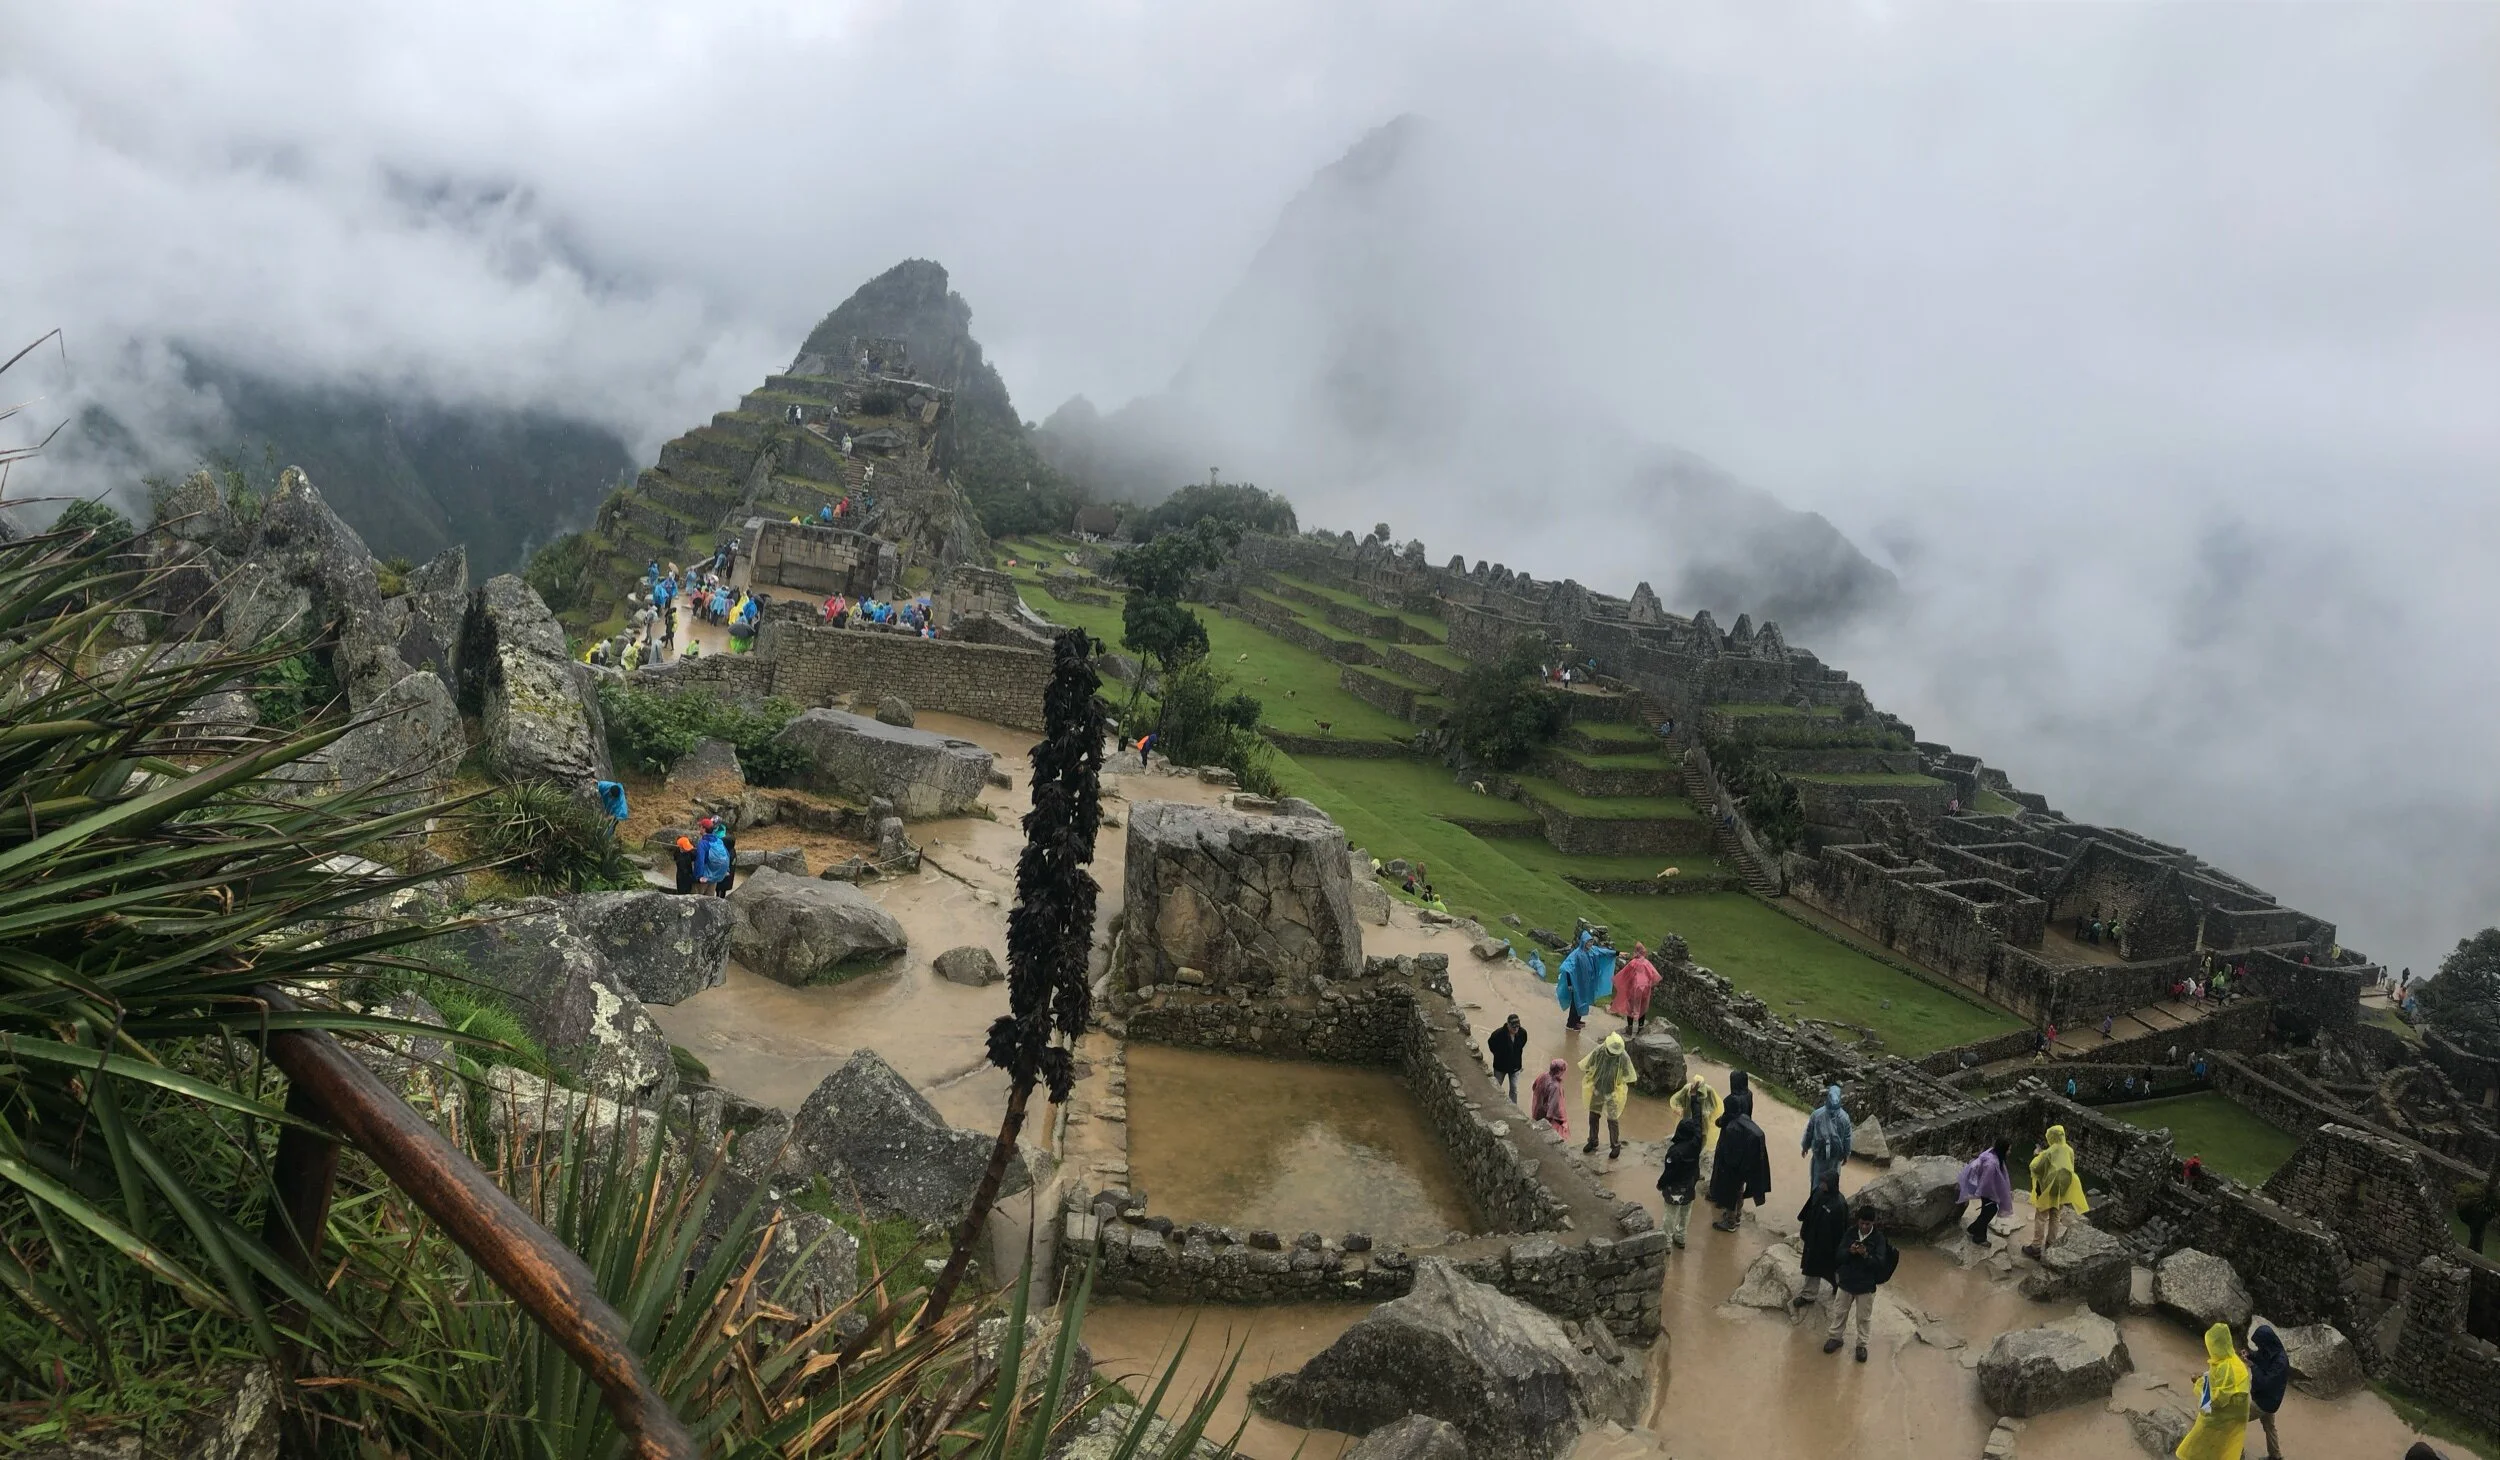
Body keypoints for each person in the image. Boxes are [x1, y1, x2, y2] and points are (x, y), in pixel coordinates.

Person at [1822, 1203, 1898, 1362]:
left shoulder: (1878, 1239)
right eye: (1862, 1223)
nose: (1864, 1226)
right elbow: (1839, 1256)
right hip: (1846, 1281)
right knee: (1840, 1312)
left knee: (1863, 1318)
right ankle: (1835, 1338)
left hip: (1866, 1285)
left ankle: (1861, 1345)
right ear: (1858, 1221)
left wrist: (1865, 1255)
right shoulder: (1850, 1233)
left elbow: (1880, 1263)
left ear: (1873, 1223)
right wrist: (1850, 1252)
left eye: (1867, 1224)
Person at [2176, 1321, 2252, 1460]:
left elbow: (2215, 1401)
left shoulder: (2226, 1368)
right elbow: (2218, 1382)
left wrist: (2199, 1383)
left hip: (2226, 1417)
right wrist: (2205, 1378)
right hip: (2236, 1415)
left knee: (2196, 1443)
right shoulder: (2231, 1359)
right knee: (2227, 1447)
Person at [1706, 1074, 1772, 1231]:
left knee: (1728, 1181)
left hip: (1732, 1140)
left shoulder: (1731, 1100)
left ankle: (1730, 1220)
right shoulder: (1749, 1094)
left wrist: (1719, 1122)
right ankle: (1736, 1216)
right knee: (1739, 1185)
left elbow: (1726, 1118)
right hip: (1744, 1139)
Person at [2025, 1124, 2090, 1258]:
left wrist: (2037, 1155)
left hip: (2048, 1188)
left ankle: (2036, 1247)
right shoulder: (2070, 1150)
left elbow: (2036, 1168)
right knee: (2055, 1216)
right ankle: (2051, 1244)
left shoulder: (2049, 1152)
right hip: (2062, 1189)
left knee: (2041, 1216)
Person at [1793, 1169, 1851, 1310]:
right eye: (1821, 1181)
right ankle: (1808, 1295)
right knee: (1811, 1268)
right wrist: (1804, 1230)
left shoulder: (1839, 1204)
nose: (1820, 1184)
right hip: (1813, 1239)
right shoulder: (1817, 1193)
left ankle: (1838, 1285)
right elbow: (1807, 1211)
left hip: (1829, 1244)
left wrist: (1841, 1248)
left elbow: (1842, 1228)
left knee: (1832, 1268)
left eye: (1824, 1182)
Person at [1580, 1032, 1637, 1159]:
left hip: (1613, 1091)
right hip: (1597, 1089)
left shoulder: (1622, 1056)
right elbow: (1588, 1065)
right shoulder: (1600, 1051)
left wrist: (1619, 1085)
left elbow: (1628, 1074)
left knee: (1612, 1119)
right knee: (1593, 1116)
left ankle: (1615, 1146)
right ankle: (1592, 1141)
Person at [1656, 1109, 1704, 1250]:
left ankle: (1666, 1242)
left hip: (1675, 1188)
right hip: (1690, 1185)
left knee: (1670, 1215)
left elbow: (1669, 1173)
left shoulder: (1675, 1152)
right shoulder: (1696, 1144)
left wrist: (1660, 1183)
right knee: (1685, 1212)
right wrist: (1695, 1099)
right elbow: (1698, 1125)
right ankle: (1681, 1237)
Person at [1956, 1139, 2014, 1247]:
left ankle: (1973, 1228)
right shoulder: (1991, 1164)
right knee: (1989, 1211)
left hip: (1988, 1191)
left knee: (1987, 1211)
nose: (2010, 1152)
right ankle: (1979, 1237)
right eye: (2009, 1149)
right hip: (1987, 1192)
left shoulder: (1995, 1158)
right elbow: (1986, 1183)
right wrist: (1993, 1196)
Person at [1803, 1084, 1855, 1190]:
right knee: (1832, 1181)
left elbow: (1809, 1132)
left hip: (1819, 1155)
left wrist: (1805, 1146)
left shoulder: (1817, 1114)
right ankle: (1829, 1203)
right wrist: (1846, 1154)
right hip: (1835, 1157)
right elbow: (1847, 1138)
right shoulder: (1845, 1118)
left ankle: (1815, 1201)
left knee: (1817, 1181)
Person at [1665, 1077, 1722, 1157]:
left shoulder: (1709, 1090)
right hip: (1688, 1116)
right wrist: (1678, 1108)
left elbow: (1714, 1105)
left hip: (1703, 1119)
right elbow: (1676, 1100)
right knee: (1686, 1135)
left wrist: (1708, 1111)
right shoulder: (1687, 1088)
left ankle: (1697, 1153)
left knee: (1703, 1136)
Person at [1612, 941, 1661, 1034]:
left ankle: (1630, 1028)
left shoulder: (1632, 963)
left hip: (1632, 989)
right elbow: (1655, 976)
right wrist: (1650, 985)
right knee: (1642, 1007)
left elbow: (1624, 974)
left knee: (1630, 1008)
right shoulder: (1647, 963)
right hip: (1645, 990)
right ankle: (1640, 1027)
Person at [1488, 1015, 1528, 1101]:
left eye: (1517, 1027)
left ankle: (1514, 1108)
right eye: (1513, 1027)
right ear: (1508, 1025)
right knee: (1497, 1087)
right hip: (1500, 1067)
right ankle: (1495, 1103)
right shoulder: (1498, 1034)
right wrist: (1498, 1054)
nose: (1516, 1029)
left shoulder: (1522, 1033)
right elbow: (1491, 1044)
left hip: (1515, 1067)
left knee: (1514, 1089)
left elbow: (1522, 1044)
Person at [1530, 1058, 1570, 1139]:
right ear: (1560, 1071)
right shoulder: (1555, 1086)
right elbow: (1553, 1106)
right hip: (1548, 1116)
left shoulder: (1543, 1075)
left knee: (1537, 1129)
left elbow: (1534, 1086)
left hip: (1538, 1109)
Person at [693, 817, 731, 897]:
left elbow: (700, 860)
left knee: (696, 900)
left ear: (704, 829)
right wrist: (726, 870)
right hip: (714, 877)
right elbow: (727, 855)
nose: (699, 829)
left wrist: (699, 877)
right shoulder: (718, 840)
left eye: (700, 827)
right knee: (709, 901)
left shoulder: (703, 843)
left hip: (704, 877)